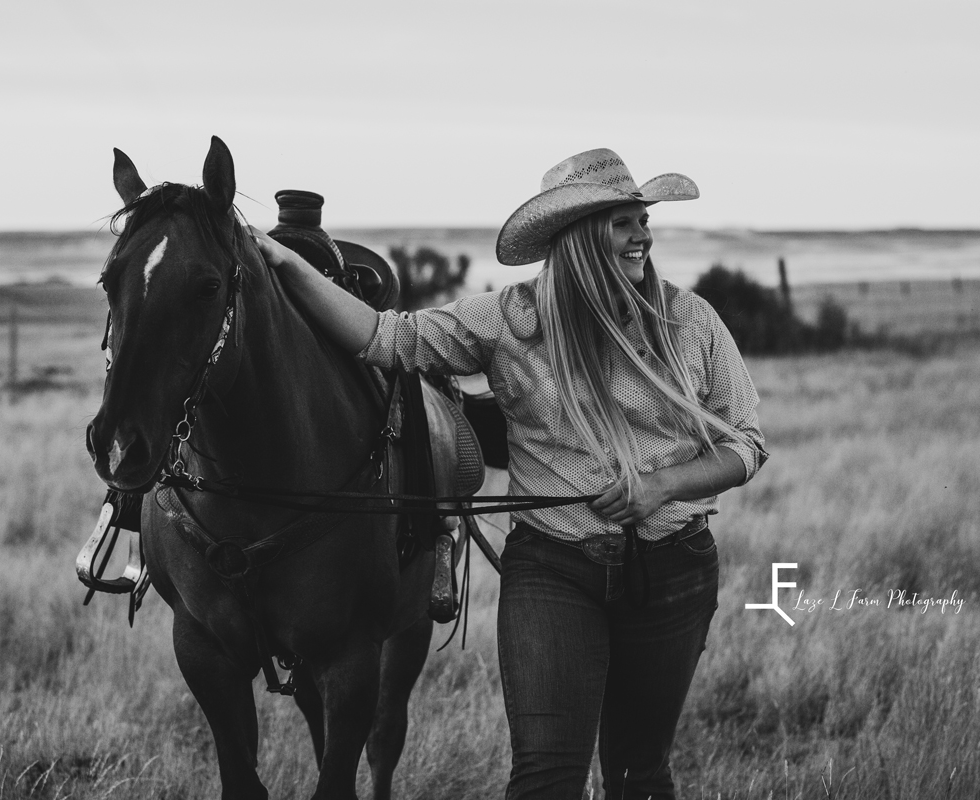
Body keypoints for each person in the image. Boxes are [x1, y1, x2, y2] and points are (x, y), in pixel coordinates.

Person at [253, 148, 767, 800]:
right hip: (555, 570)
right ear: (576, 236)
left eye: (644, 219)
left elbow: (747, 445)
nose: (644, 235)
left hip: (672, 571)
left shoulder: (688, 321)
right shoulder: (507, 321)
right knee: (546, 779)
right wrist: (290, 265)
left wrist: (663, 485)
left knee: (639, 775)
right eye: (623, 222)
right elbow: (387, 339)